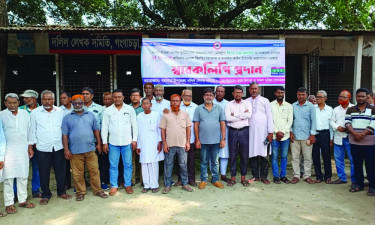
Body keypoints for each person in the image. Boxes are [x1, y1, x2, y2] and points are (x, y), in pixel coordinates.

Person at [62, 95, 108, 201]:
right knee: (77, 173)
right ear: (72, 103)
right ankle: (80, 192)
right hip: (75, 151)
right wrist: (66, 149)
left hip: (90, 149)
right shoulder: (67, 117)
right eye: (75, 103)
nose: (77, 105)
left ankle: (98, 190)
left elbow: (96, 130)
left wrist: (99, 143)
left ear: (83, 103)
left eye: (79, 103)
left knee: (94, 171)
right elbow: (65, 135)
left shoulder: (90, 115)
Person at [29, 90, 72, 205]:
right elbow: (32, 130)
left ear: (53, 100)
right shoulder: (35, 113)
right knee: (43, 172)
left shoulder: (60, 112)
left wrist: (67, 145)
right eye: (44, 99)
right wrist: (32, 145)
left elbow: (65, 129)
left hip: (58, 146)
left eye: (49, 99)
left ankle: (61, 192)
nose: (47, 101)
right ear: (41, 100)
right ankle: (46, 194)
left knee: (61, 171)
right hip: (42, 147)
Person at [0, 93, 35, 216]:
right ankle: (9, 203)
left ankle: (22, 200)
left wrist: (30, 147)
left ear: (18, 103)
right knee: (8, 178)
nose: (12, 105)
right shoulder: (1, 115)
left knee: (23, 176)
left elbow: (30, 131)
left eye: (15, 103)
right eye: (9, 103)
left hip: (23, 150)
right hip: (7, 152)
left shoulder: (25, 114)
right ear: (5, 103)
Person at [101, 89, 137, 196]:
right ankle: (114, 186)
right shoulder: (108, 111)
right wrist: (104, 142)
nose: (117, 99)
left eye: (119, 97)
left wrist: (134, 140)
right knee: (113, 165)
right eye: (115, 97)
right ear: (113, 98)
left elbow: (134, 126)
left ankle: (127, 184)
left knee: (128, 164)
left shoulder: (129, 109)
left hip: (127, 142)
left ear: (123, 97)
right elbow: (104, 127)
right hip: (113, 143)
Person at [160, 94, 193, 194]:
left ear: (180, 102)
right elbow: (163, 130)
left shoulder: (185, 114)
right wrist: (164, 143)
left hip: (182, 144)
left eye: (177, 101)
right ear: (170, 102)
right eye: (173, 101)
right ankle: (167, 185)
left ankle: (184, 183)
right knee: (168, 165)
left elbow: (188, 128)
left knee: (183, 165)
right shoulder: (166, 114)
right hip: (169, 145)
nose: (175, 102)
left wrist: (188, 142)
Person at [194, 88, 226, 189]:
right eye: (207, 95)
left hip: (216, 140)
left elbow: (222, 123)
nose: (209, 97)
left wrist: (223, 139)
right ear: (204, 96)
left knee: (215, 161)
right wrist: (197, 139)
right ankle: (203, 180)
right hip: (203, 141)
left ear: (214, 96)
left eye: (211, 95)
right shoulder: (198, 109)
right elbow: (196, 125)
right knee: (203, 161)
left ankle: (215, 179)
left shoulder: (219, 108)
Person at [345, 88, 375, 196]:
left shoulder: (372, 109)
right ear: (355, 97)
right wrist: (355, 134)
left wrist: (362, 134)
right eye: (358, 96)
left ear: (367, 97)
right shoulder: (350, 109)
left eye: (363, 96)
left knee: (370, 164)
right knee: (357, 164)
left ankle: (372, 186)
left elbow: (373, 123)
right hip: (354, 142)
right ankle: (359, 185)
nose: (360, 98)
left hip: (369, 142)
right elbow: (347, 123)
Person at [246, 82, 274, 184]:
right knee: (252, 153)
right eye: (252, 89)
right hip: (251, 132)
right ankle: (255, 176)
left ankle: (264, 177)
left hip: (264, 133)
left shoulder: (265, 101)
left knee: (264, 154)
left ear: (259, 89)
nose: (254, 90)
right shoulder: (246, 101)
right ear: (249, 90)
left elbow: (270, 116)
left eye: (256, 89)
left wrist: (270, 132)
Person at [225, 85, 252, 187]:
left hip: (244, 131)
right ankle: (232, 178)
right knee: (232, 155)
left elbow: (249, 115)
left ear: (242, 93)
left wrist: (234, 115)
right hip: (232, 132)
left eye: (239, 92)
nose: (238, 94)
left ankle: (243, 177)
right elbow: (227, 118)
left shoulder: (247, 103)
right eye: (236, 92)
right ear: (233, 94)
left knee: (244, 155)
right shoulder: (228, 104)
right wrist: (241, 115)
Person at [82, 87, 108, 190]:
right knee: (81, 164)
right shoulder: (77, 107)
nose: (85, 96)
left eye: (87, 94)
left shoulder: (100, 108)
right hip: (82, 142)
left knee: (99, 163)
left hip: (96, 141)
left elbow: (102, 125)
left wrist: (101, 142)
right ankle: (82, 184)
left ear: (92, 96)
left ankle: (101, 182)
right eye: (83, 94)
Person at [136, 98, 164, 193]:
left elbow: (159, 129)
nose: (145, 105)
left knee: (153, 163)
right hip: (143, 143)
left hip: (154, 142)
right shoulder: (139, 116)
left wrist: (160, 141)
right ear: (142, 105)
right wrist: (138, 145)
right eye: (143, 104)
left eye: (147, 103)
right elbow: (137, 131)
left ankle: (154, 184)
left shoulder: (156, 115)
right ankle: (146, 184)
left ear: (151, 105)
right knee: (144, 164)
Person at [290, 87, 317, 184]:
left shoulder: (311, 107)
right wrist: (290, 131)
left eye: (303, 95)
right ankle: (296, 175)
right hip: (295, 136)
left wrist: (312, 134)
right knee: (295, 158)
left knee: (307, 158)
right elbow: (290, 120)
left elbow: (314, 121)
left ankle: (307, 176)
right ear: (297, 95)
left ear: (306, 95)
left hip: (307, 137)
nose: (301, 96)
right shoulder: (292, 106)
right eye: (299, 95)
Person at [19, 89, 41, 198]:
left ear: (34, 98)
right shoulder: (19, 110)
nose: (24, 99)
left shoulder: (41, 110)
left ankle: (36, 189)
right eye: (24, 98)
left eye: (27, 97)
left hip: (38, 144)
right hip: (23, 144)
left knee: (37, 168)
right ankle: (17, 192)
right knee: (21, 168)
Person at [330, 90, 355, 184]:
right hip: (338, 137)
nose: (340, 98)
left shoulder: (353, 108)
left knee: (353, 159)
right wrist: (337, 127)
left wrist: (349, 128)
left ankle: (354, 179)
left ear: (349, 98)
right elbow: (332, 121)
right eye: (340, 96)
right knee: (338, 159)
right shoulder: (336, 109)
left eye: (343, 97)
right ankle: (342, 178)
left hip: (351, 137)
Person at [270, 86, 293, 184]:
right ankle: (276, 176)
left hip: (285, 136)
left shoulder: (289, 106)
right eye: (278, 93)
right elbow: (270, 120)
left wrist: (283, 132)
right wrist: (276, 131)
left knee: (284, 156)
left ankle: (283, 175)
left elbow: (290, 120)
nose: (280, 94)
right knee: (274, 156)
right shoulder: (270, 105)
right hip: (275, 136)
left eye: (282, 93)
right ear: (275, 93)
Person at [176, 89, 198, 187]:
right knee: (180, 161)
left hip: (192, 138)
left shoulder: (196, 107)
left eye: (189, 96)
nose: (187, 97)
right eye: (185, 96)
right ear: (182, 96)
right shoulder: (176, 106)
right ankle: (180, 179)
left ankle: (191, 179)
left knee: (191, 160)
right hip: (179, 139)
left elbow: (197, 124)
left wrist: (198, 139)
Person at [313, 90, 333, 184]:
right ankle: (319, 176)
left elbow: (331, 125)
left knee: (326, 156)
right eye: (317, 97)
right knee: (315, 156)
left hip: (325, 134)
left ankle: (328, 176)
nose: (318, 98)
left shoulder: (330, 109)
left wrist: (331, 138)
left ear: (325, 98)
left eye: (320, 97)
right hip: (315, 134)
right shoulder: (313, 108)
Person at [213, 86, 230, 183]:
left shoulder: (228, 103)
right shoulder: (211, 103)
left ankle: (223, 174)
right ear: (215, 92)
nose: (219, 93)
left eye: (222, 91)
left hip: (225, 130)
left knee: (224, 153)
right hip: (213, 131)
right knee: (214, 154)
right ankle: (214, 175)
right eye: (218, 91)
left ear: (224, 93)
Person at [129, 88, 144, 186]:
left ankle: (143, 180)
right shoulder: (126, 108)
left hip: (142, 138)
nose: (134, 97)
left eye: (136, 95)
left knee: (142, 159)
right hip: (129, 138)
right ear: (130, 97)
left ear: (140, 97)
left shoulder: (144, 108)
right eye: (133, 95)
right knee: (131, 160)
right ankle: (132, 180)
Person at [60, 91, 73, 190]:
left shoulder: (76, 106)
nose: (62, 100)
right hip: (65, 139)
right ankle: (67, 183)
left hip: (76, 139)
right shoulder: (59, 110)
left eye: (64, 98)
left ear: (70, 98)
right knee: (66, 163)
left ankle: (84, 181)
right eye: (61, 98)